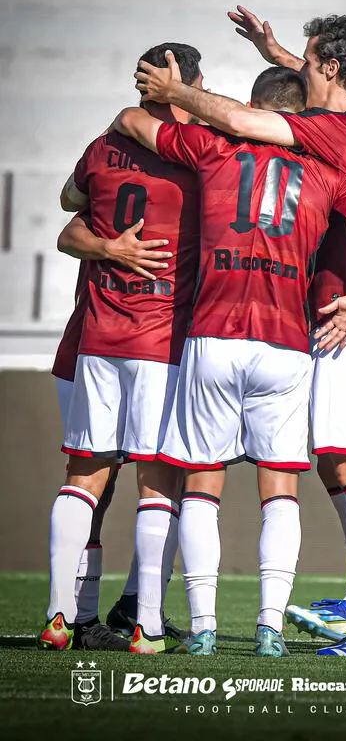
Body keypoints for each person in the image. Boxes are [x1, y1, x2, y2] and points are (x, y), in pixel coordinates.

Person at [134, 13, 346, 658]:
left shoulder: (328, 130)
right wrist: (276, 50)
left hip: (345, 316)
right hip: (317, 319)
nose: (305, 69)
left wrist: (175, 95)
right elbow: (320, 87)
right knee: (334, 469)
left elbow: (241, 120)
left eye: (311, 60)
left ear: (332, 70)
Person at [37, 42, 201, 655]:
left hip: (97, 339)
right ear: (191, 82)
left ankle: (61, 617)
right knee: (163, 485)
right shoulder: (198, 157)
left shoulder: (105, 147)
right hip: (162, 342)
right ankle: (146, 627)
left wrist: (109, 246)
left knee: (85, 479)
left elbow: (68, 209)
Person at [52, 217, 175, 651]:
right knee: (112, 484)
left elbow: (70, 211)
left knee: (103, 485)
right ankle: (84, 616)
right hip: (106, 349)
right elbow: (68, 230)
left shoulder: (116, 176)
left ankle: (128, 606)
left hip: (107, 349)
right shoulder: (133, 180)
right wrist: (109, 248)